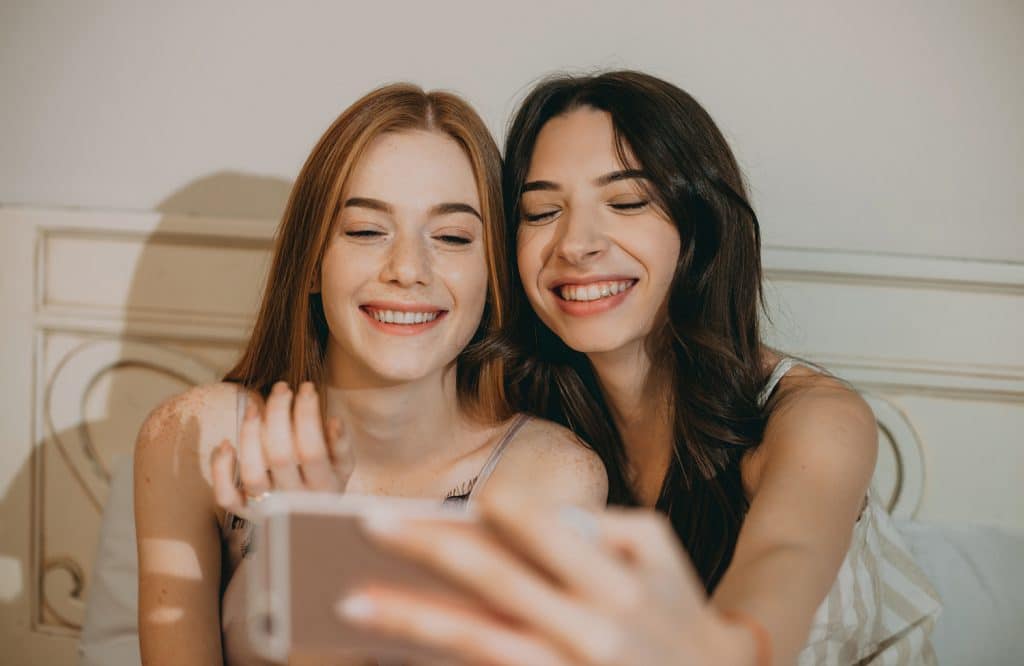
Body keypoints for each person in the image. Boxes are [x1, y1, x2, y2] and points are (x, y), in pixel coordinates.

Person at [339, 71, 941, 665]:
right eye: (542, 212)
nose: (576, 244)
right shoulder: (529, 430)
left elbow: (785, 557)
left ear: (698, 228)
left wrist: (727, 643)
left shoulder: (812, 418)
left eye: (626, 202)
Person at [133, 83, 607, 665]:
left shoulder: (550, 480)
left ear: (492, 279)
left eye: (453, 237)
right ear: (311, 264)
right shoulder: (192, 437)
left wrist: (317, 548)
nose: (408, 269)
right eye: (365, 230)